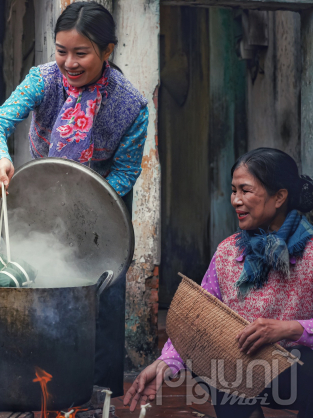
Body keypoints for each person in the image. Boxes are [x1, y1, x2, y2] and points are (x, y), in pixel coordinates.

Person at [0, 2, 149, 396]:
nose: (68, 62)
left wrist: (82, 213)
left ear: (107, 51)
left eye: (81, 52)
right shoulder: (43, 80)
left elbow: (125, 172)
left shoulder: (131, 105)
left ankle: (96, 395)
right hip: (43, 193)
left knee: (102, 295)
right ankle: (37, 381)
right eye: (61, 50)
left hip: (104, 203)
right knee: (36, 282)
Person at [124, 148, 313, 418]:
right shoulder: (228, 253)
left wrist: (289, 329)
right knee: (215, 362)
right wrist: (166, 363)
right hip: (243, 372)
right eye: (233, 190)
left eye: (245, 190)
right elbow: (199, 320)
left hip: (301, 373)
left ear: (280, 196)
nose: (235, 200)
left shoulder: (311, 253)